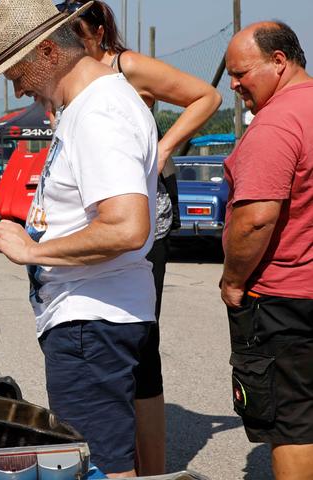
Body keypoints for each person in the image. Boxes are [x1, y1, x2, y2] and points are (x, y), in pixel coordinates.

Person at [0, 0, 157, 476]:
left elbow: (126, 226)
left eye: (16, 74)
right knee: (105, 455)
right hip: (93, 317)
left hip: (89, 321)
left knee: (99, 465)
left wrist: (33, 250)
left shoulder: (99, 112)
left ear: (49, 51)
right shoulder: (89, 106)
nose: (18, 88)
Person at [61, 0, 223, 474]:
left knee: (140, 343)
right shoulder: (71, 80)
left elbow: (206, 97)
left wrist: (163, 147)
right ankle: (110, 456)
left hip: (145, 217)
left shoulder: (124, 66)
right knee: (96, 333)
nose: (65, 47)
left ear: (95, 32)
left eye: (73, 35)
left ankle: (151, 469)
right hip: (99, 216)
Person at [221, 21, 313, 480]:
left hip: (286, 300)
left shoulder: (277, 122)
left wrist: (233, 280)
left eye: (241, 74)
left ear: (279, 62)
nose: (235, 85)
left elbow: (256, 217)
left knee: (293, 424)